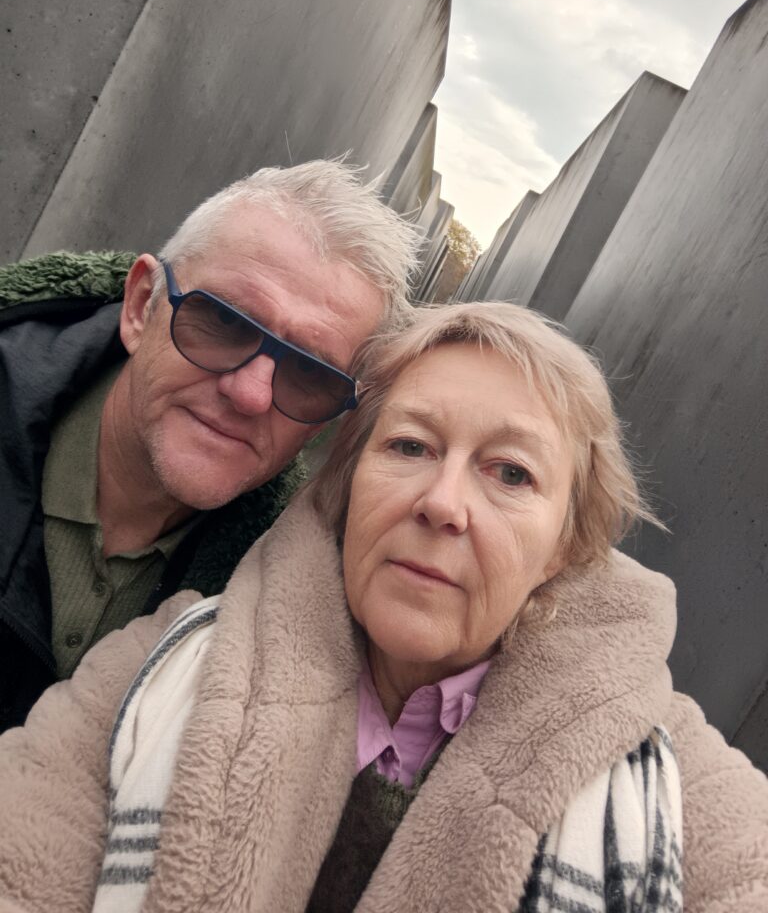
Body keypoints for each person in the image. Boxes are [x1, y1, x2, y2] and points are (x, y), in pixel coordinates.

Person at [1, 302, 766, 913]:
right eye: (409, 446)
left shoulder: (672, 781)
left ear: (563, 547)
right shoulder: (155, 670)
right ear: (347, 485)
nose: (443, 503)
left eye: (510, 473)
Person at [0, 159, 419, 732]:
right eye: (223, 322)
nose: (251, 394)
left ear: (324, 421)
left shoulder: (278, 593)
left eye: (309, 374)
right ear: (141, 306)